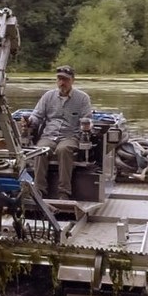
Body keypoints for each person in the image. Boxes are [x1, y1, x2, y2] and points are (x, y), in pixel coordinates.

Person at [24, 65, 92, 200]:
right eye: (60, 79)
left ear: (72, 80)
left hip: (70, 136)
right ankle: (39, 190)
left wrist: (86, 127)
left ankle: (64, 192)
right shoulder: (48, 96)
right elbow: (37, 115)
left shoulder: (82, 98)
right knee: (40, 149)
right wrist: (29, 121)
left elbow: (87, 119)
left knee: (64, 149)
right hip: (49, 135)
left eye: (65, 79)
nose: (62, 83)